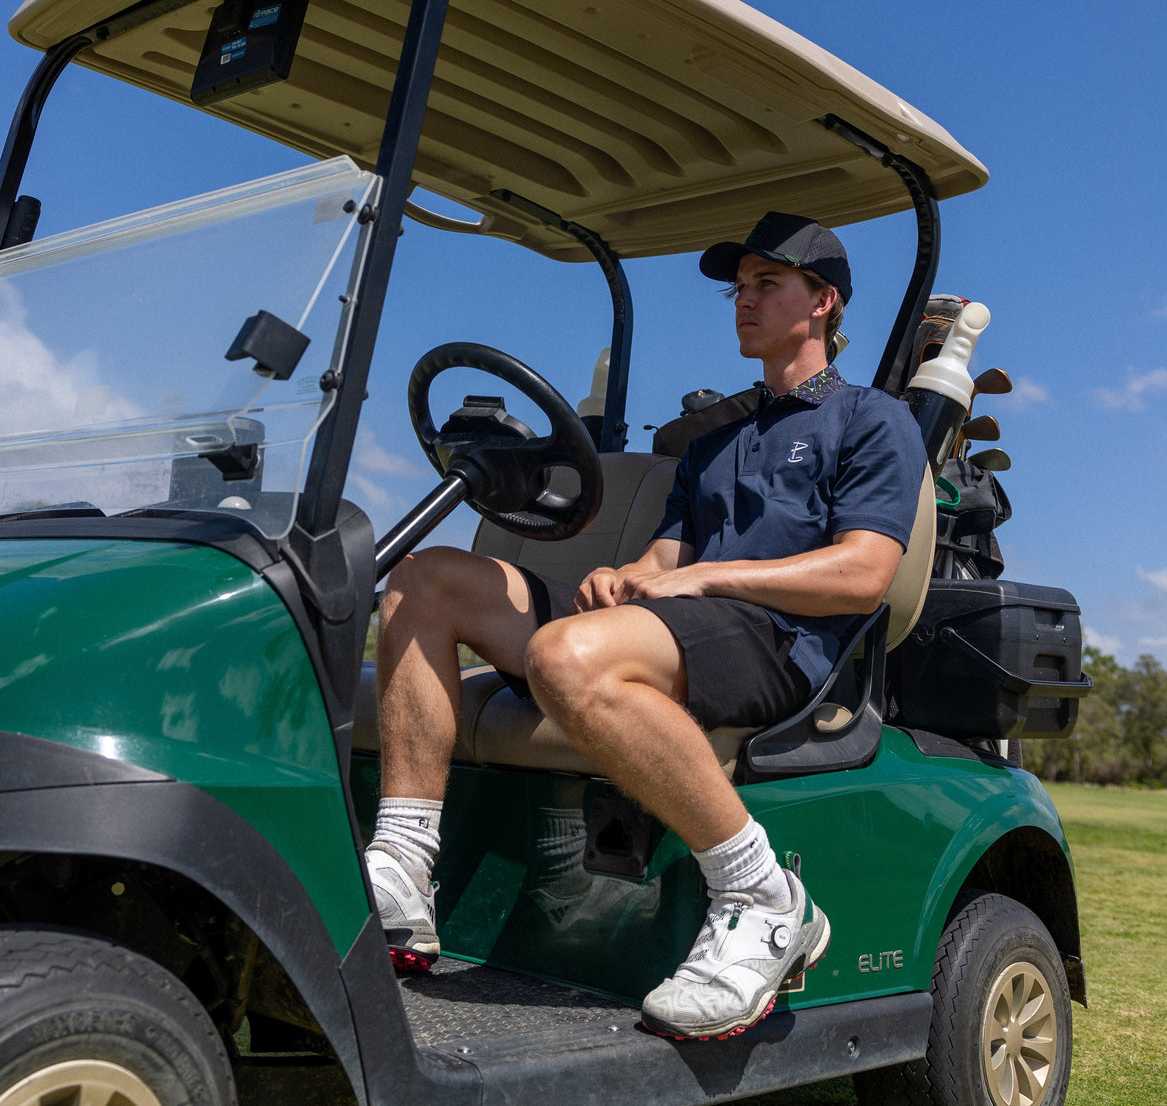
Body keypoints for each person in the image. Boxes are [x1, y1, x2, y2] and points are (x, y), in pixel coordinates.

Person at [367, 212, 927, 1040]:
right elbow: (668, 561)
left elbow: (864, 573)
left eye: (766, 285)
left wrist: (701, 576)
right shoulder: (714, 443)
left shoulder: (872, 419)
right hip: (683, 624)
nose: (743, 301)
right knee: (425, 581)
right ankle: (404, 868)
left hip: (781, 642)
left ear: (824, 303)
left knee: (565, 659)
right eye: (738, 289)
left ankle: (765, 897)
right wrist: (630, 576)